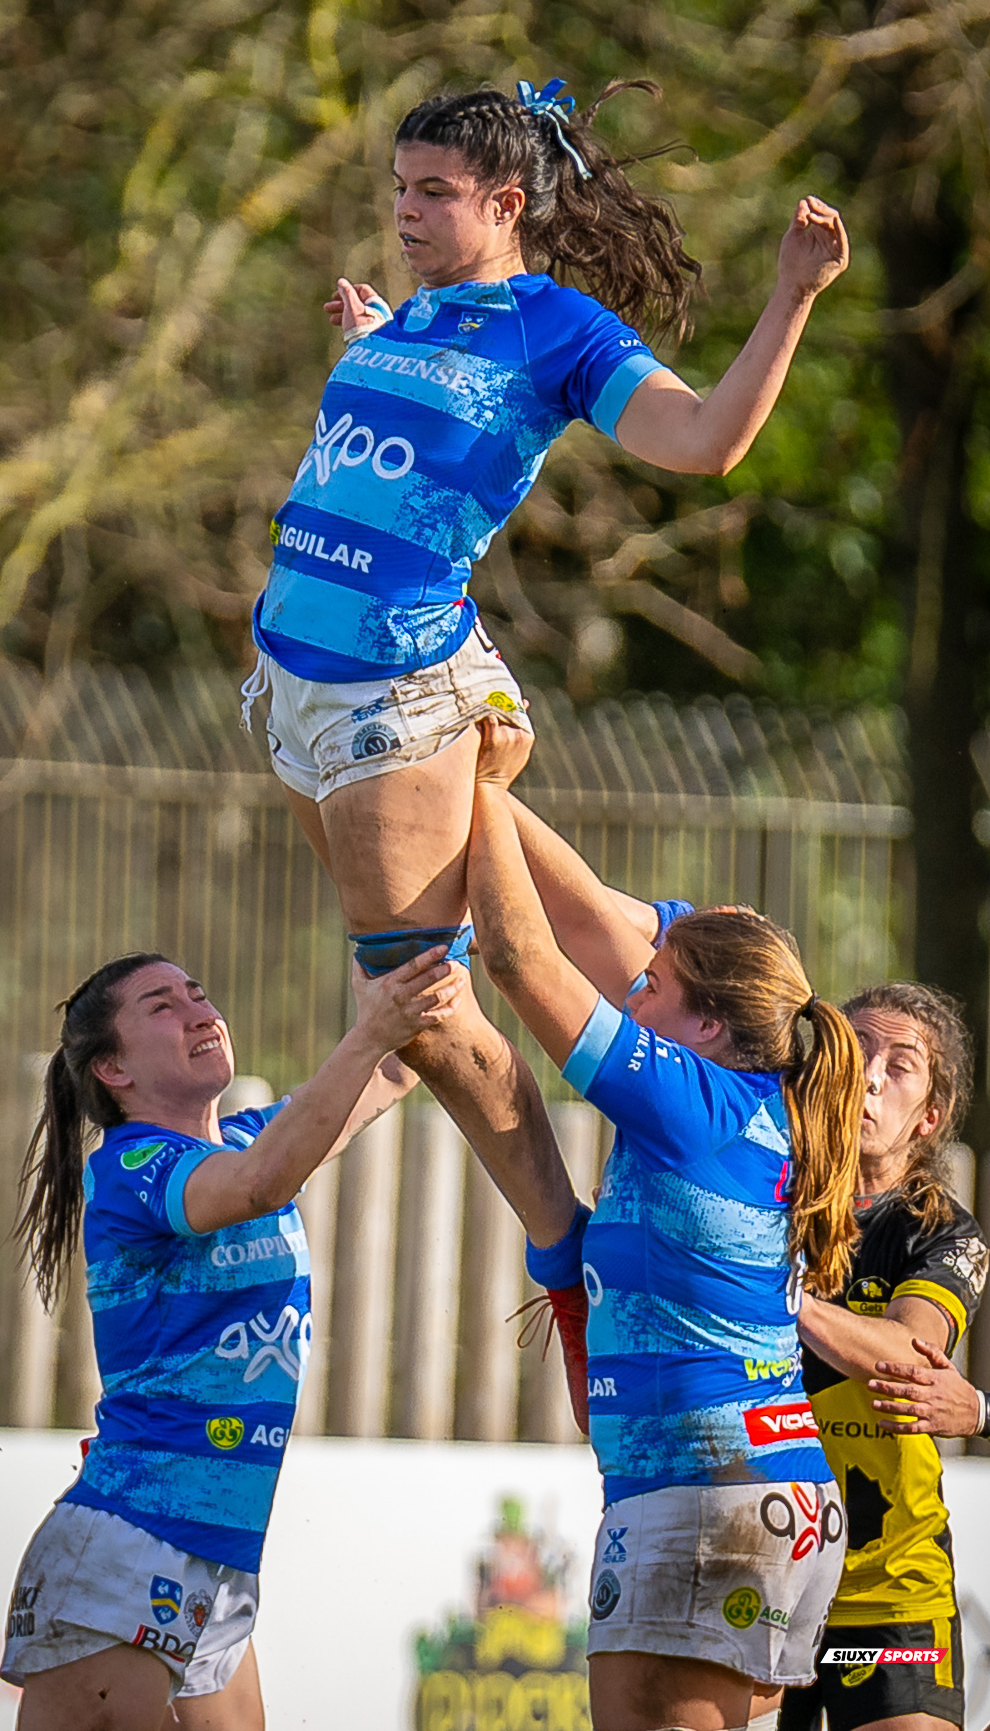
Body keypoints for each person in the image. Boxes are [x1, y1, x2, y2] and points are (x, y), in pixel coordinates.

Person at [241, 74, 849, 1251]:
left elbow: (705, 443)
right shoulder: (412, 317)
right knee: (409, 999)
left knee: (417, 1001)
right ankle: (523, 1126)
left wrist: (789, 296)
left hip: (388, 696)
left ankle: (564, 1256)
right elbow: (413, 441)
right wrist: (378, 341)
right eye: (398, 188)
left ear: (508, 201)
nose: (405, 212)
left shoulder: (561, 332)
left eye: (434, 193)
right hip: (290, 689)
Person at [463, 734, 863, 1731]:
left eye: (649, 988)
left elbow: (518, 957)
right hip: (751, 1491)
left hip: (702, 1497)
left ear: (706, 1025)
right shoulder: (754, 1089)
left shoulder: (692, 1103)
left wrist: (468, 789)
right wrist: (478, 786)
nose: (627, 993)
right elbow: (593, 913)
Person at [0, 944, 457, 1731]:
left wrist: (421, 954)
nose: (196, 1008)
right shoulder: (135, 1164)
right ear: (113, 1070)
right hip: (127, 1547)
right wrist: (366, 1035)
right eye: (160, 1006)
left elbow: (389, 1075)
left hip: (216, 1559)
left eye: (196, 991)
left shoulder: (250, 1138)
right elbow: (256, 1187)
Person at [779, 981, 989, 1731]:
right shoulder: (767, 1197)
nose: (868, 1074)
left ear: (928, 1116)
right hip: (765, 1576)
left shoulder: (942, 1233)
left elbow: (906, 1352)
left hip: (891, 1598)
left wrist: (781, 1296)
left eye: (897, 1066)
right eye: (856, 1050)